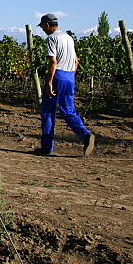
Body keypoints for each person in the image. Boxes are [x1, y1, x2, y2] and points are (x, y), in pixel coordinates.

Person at [35, 13, 95, 156]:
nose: (43, 30)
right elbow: (76, 61)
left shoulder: (52, 38)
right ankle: (85, 134)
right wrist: (70, 75)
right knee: (68, 111)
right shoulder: (68, 38)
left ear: (48, 25)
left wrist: (50, 81)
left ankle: (47, 147)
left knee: (48, 112)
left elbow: (53, 62)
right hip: (69, 76)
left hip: (58, 75)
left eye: (43, 26)